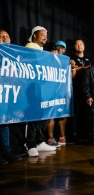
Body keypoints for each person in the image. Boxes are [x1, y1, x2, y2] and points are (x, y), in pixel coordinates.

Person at [25, 26, 56, 157]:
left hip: (41, 90)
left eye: (46, 34)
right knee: (32, 117)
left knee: (42, 116)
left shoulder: (42, 51)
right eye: (42, 34)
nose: (45, 36)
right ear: (34, 36)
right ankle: (30, 144)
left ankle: (39, 141)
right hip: (30, 90)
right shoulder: (30, 47)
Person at [0, 29, 23, 164]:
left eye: (7, 36)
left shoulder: (14, 55)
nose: (4, 38)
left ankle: (6, 151)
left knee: (4, 122)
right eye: (1, 36)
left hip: (8, 94)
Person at [69, 39, 92, 143]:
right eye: (77, 44)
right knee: (76, 114)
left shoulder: (88, 59)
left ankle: (86, 135)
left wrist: (81, 68)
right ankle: (74, 136)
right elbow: (71, 74)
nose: (79, 45)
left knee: (87, 113)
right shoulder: (71, 59)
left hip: (87, 91)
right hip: (75, 90)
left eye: (81, 43)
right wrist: (79, 68)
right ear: (74, 47)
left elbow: (91, 71)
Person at [47, 40, 68, 146]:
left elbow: (71, 77)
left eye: (63, 48)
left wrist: (72, 66)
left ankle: (62, 137)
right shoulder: (49, 56)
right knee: (51, 115)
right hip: (50, 90)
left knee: (62, 115)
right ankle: (50, 138)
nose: (60, 49)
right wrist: (51, 57)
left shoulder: (66, 60)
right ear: (55, 48)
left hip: (62, 91)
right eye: (58, 47)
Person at [82, 58, 94, 145]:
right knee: (93, 118)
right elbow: (85, 85)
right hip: (93, 98)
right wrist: (88, 96)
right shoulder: (88, 70)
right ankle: (92, 138)